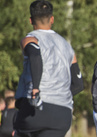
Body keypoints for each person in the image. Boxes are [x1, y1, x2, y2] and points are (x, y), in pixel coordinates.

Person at [14, 1, 84, 137]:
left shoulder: (30, 39)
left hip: (36, 108)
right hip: (62, 114)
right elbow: (78, 84)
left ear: (30, 20)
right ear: (52, 19)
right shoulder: (67, 47)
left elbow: (35, 56)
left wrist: (36, 88)